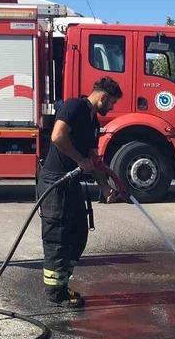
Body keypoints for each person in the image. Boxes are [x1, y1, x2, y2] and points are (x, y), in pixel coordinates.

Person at [38, 77, 124, 308]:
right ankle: (55, 294)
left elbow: (93, 160)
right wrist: (80, 160)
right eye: (112, 103)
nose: (112, 108)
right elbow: (57, 136)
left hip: (72, 183)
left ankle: (62, 285)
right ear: (103, 97)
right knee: (58, 238)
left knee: (78, 234)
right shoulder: (74, 107)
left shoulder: (93, 121)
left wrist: (105, 187)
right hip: (55, 182)